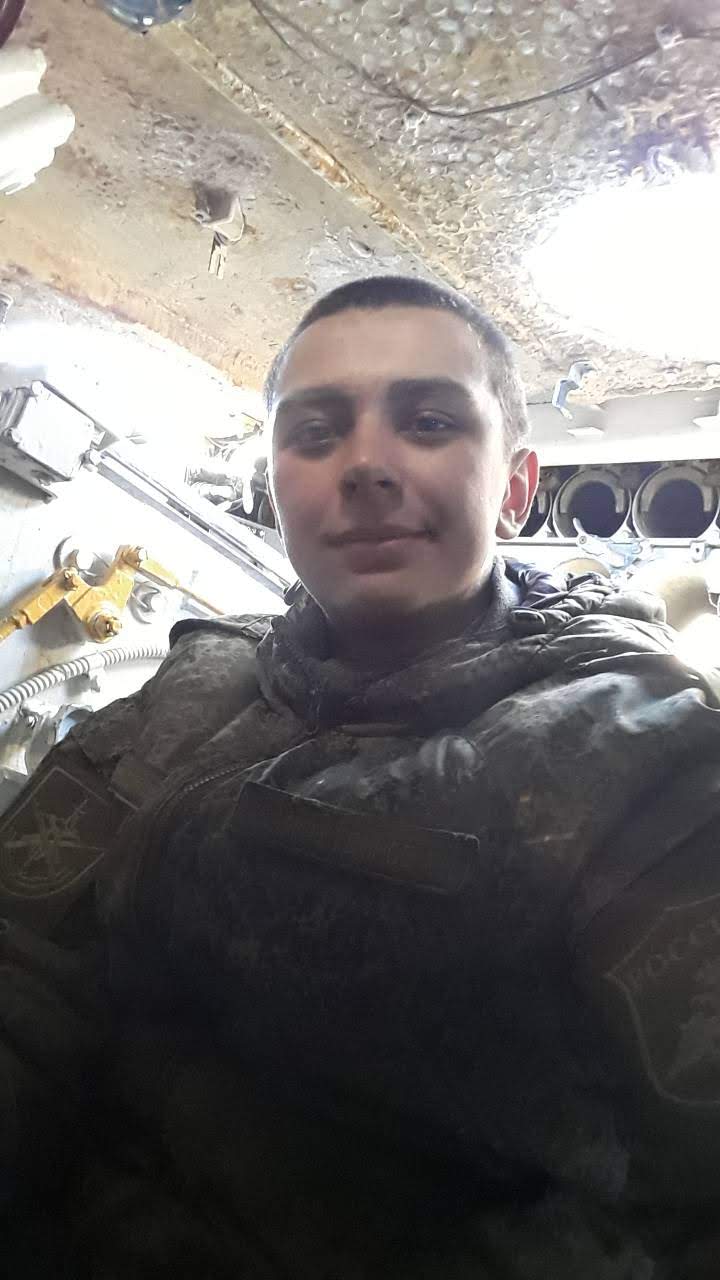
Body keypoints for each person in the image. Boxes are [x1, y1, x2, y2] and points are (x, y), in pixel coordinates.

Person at [1, 275, 720, 1279]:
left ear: (516, 487)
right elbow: (26, 967)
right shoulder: (198, 681)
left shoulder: (651, 759)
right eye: (316, 432)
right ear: (275, 480)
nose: (368, 464)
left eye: (428, 422)